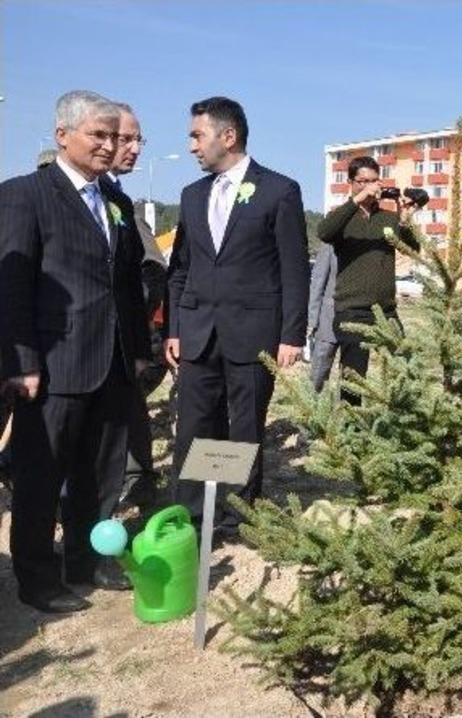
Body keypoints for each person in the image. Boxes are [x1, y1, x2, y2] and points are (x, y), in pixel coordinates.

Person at [0, 90, 151, 613]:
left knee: (102, 473)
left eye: (114, 135)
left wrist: (138, 351)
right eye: (98, 135)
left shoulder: (117, 202)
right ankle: (37, 578)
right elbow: (12, 286)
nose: (110, 145)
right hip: (53, 366)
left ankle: (89, 560)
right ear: (63, 136)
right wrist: (21, 362)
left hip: (113, 362)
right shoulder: (25, 195)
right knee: (41, 477)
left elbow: (126, 284)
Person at [166, 96, 309, 534]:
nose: (191, 146)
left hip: (253, 331)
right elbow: (181, 269)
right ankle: (191, 513)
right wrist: (175, 328)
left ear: (228, 136)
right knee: (194, 425)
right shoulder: (192, 195)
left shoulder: (279, 190)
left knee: (243, 426)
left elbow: (293, 269)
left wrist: (292, 335)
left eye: (197, 136)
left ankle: (234, 514)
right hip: (197, 332)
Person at [99, 103, 169, 506]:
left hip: (121, 346)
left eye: (138, 139)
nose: (135, 149)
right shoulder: (88, 195)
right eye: (126, 139)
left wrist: (133, 329)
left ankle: (135, 481)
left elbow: (150, 273)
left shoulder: (120, 203)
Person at [316, 156, 418, 404]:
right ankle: (351, 424)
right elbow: (324, 232)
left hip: (386, 312)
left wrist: (405, 221)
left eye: (375, 181)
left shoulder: (388, 218)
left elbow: (413, 249)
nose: (371, 186)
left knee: (406, 369)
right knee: (354, 379)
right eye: (363, 181)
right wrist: (358, 199)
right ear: (351, 182)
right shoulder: (342, 217)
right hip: (352, 312)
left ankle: (402, 419)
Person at [307, 243, 339, 392]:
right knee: (319, 371)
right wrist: (312, 321)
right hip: (328, 320)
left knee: (352, 375)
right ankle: (311, 402)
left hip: (356, 318)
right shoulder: (329, 247)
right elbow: (317, 285)